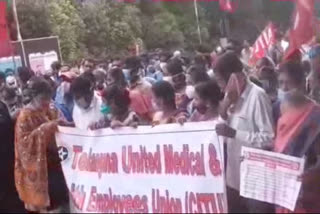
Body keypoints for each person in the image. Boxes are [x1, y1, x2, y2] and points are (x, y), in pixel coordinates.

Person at [214, 52, 275, 213]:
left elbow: (269, 139)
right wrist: (223, 111)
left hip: (255, 182)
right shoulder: (230, 96)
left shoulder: (258, 96)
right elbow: (221, 133)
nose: (220, 85)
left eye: (221, 80)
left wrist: (235, 133)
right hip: (233, 178)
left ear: (232, 77)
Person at [14, 77, 68, 213]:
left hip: (57, 165)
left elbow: (60, 124)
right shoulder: (25, 116)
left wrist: (65, 126)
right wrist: (46, 128)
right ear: (34, 96)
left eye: (48, 98)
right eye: (43, 99)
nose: (46, 102)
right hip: (39, 171)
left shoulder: (49, 110)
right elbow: (24, 146)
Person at [274, 91, 320, 213]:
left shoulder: (314, 128)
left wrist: (309, 176)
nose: (282, 121)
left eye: (286, 116)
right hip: (287, 200)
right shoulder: (288, 131)